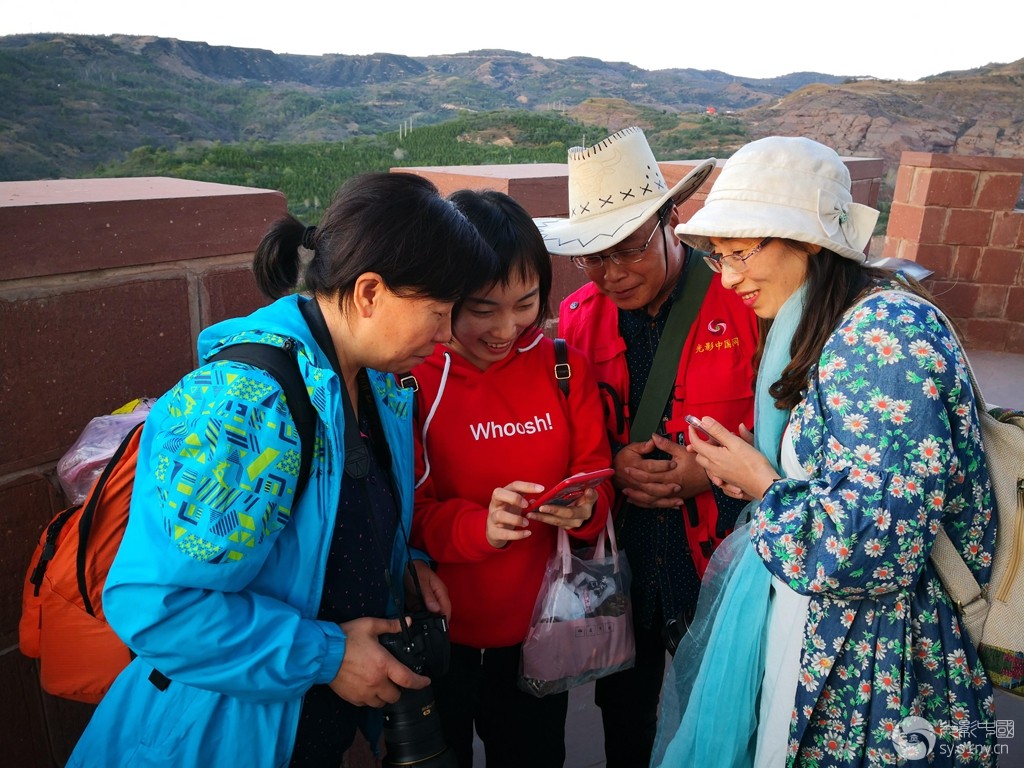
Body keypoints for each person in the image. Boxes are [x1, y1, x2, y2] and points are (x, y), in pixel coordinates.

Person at [67, 172, 499, 767]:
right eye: (439, 312)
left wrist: (403, 565)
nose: (450, 337)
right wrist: (327, 656)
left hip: (306, 732)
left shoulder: (372, 382)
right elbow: (158, 606)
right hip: (216, 737)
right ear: (370, 293)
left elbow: (336, 521)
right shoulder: (247, 408)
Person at [653, 136, 996, 766]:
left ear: (809, 239)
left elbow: (875, 550)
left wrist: (763, 485)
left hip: (877, 674)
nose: (728, 279)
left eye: (739, 254)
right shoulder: (832, 325)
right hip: (840, 648)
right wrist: (765, 478)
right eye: (716, 258)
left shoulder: (882, 335)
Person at [533, 126, 759, 767]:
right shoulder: (579, 316)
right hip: (624, 552)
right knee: (623, 707)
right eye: (593, 257)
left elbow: (786, 428)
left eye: (628, 249)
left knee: (710, 702)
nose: (611, 274)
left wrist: (707, 473)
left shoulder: (741, 303)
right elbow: (574, 435)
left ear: (671, 220)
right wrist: (610, 466)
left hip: (709, 552)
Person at [409, 189, 615, 767]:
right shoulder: (410, 376)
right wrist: (480, 527)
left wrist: (585, 508)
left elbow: (596, 475)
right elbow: (405, 512)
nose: (507, 328)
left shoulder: (561, 362)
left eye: (526, 304)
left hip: (541, 629)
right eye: (482, 309)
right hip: (440, 633)